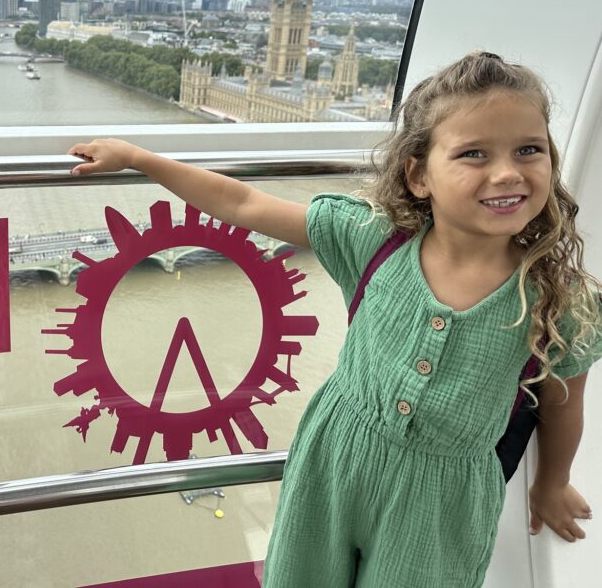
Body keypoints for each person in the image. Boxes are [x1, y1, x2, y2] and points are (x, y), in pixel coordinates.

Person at [68, 52, 602, 586]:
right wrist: (143, 160)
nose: (507, 172)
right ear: (419, 175)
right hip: (332, 464)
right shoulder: (372, 241)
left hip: (442, 507)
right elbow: (243, 202)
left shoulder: (558, 300)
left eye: (528, 149)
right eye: (474, 154)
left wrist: (550, 484)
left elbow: (562, 403)